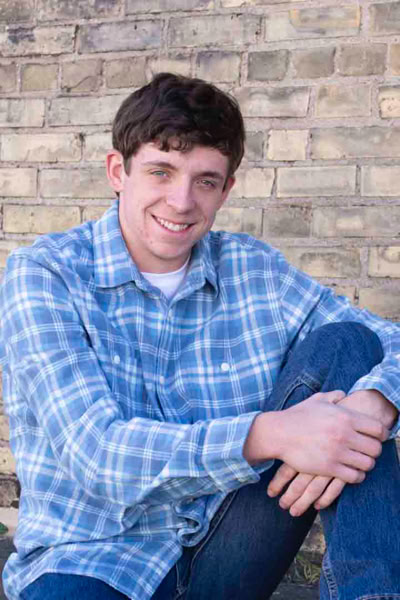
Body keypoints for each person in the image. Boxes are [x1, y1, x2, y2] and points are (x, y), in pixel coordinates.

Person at [0, 72, 399, 600]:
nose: (182, 201)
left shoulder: (255, 271)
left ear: (226, 189)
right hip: (91, 558)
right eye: (161, 172)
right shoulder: (45, 274)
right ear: (118, 171)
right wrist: (275, 434)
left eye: (205, 181)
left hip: (231, 546)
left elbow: (389, 343)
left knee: (349, 346)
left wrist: (377, 405)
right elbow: (97, 455)